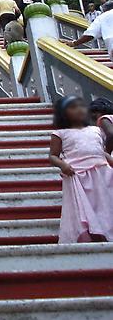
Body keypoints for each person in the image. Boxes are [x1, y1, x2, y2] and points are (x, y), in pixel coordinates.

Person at [49, 95, 113, 243]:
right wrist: (62, 165)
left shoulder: (95, 130)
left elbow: (101, 152)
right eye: (72, 108)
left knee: (104, 204)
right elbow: (53, 155)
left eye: (81, 106)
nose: (78, 110)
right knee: (84, 207)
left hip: (101, 172)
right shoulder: (59, 134)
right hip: (77, 174)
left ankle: (105, 230)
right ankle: (90, 234)